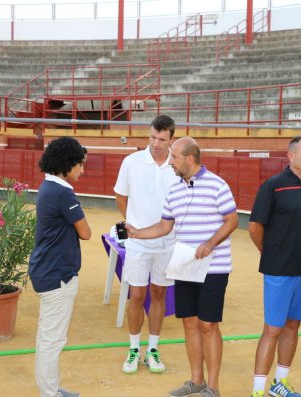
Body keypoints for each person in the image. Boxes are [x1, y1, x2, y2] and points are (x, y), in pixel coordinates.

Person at [125, 137, 238, 397]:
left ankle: (213, 387)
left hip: (214, 267)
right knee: (189, 322)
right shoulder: (174, 190)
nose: (170, 161)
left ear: (190, 158)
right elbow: (165, 226)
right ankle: (196, 382)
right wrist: (136, 233)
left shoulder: (217, 185)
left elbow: (231, 221)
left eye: (174, 157)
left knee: (208, 325)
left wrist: (210, 243)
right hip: (186, 265)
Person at [248, 136, 301, 397]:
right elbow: (255, 226)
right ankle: (258, 390)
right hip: (278, 271)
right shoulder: (273, 186)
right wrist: (267, 251)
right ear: (290, 157)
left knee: (293, 326)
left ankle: (280, 383)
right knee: (273, 329)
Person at [114, 115, 180, 374]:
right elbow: (121, 196)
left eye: (162, 139)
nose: (156, 143)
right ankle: (133, 348)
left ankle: (153, 348)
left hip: (168, 242)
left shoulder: (177, 164)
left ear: (171, 139)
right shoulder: (131, 162)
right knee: (137, 295)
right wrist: (131, 224)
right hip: (138, 243)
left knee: (159, 294)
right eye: (153, 137)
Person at [29, 137, 91, 397]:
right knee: (52, 339)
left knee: (49, 336)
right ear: (67, 164)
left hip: (48, 270)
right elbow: (86, 232)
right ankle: (50, 393)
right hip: (57, 275)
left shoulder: (47, 186)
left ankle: (51, 388)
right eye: (79, 165)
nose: (82, 170)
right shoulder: (63, 192)